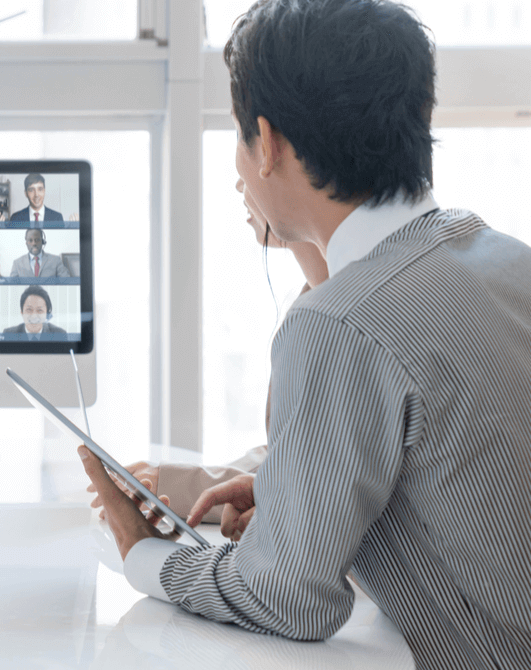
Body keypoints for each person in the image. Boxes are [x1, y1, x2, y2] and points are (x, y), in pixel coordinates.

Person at [82, 2, 531, 667]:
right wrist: (290, 488)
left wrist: (140, 554)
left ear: (269, 144)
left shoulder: (338, 321)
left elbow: (287, 600)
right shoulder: (506, 257)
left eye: (238, 137)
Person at [91, 176, 329, 526]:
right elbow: (295, 452)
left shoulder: (338, 317)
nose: (238, 184)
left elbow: (311, 475)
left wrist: (144, 552)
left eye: (246, 139)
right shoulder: (312, 296)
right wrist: (174, 484)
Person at [0, 229, 71, 278]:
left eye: (37, 240)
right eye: (30, 240)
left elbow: (67, 281)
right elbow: (11, 286)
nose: (34, 243)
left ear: (43, 242)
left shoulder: (56, 260)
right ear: (26, 243)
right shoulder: (17, 263)